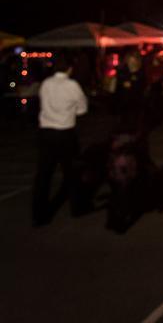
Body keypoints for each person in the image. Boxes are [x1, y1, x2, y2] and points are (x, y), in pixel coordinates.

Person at [32, 53, 89, 226]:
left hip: (46, 132)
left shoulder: (46, 83)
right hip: (65, 132)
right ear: (70, 68)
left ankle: (39, 215)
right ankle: (77, 208)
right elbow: (82, 109)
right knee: (71, 172)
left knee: (44, 174)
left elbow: (43, 103)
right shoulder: (72, 85)